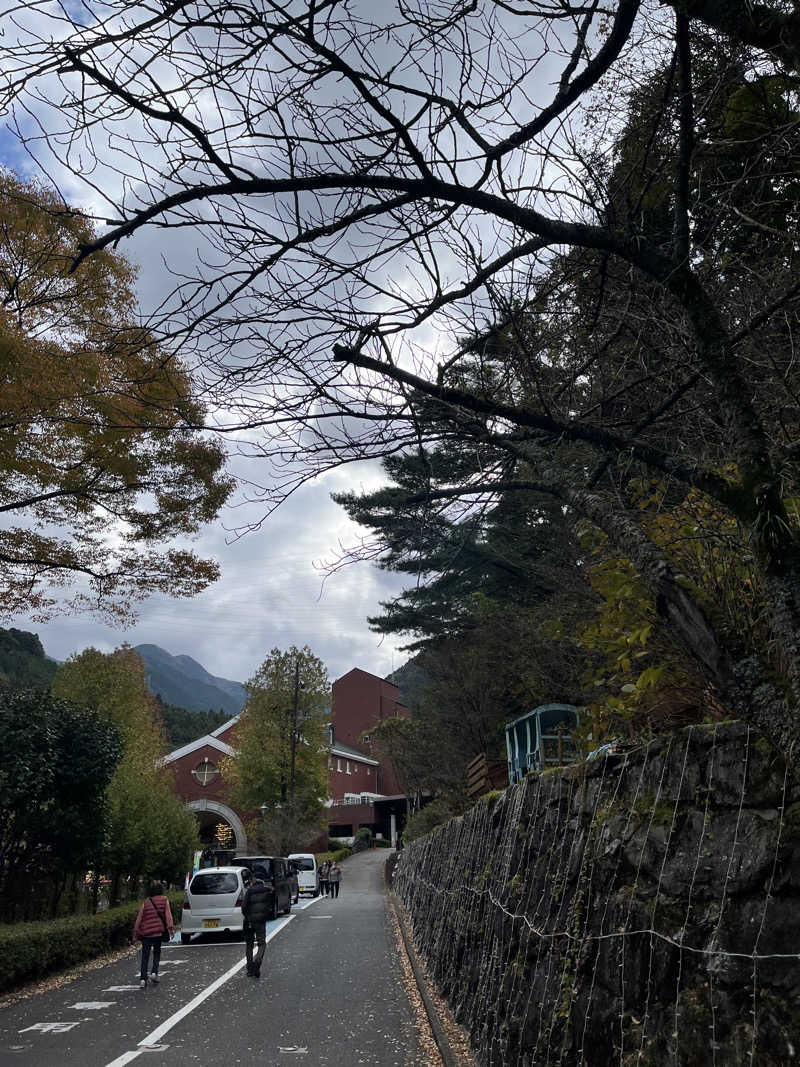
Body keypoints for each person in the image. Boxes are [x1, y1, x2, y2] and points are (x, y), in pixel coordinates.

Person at [133, 881, 174, 989]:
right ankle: (154, 973)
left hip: (146, 933)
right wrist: (170, 928)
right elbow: (168, 915)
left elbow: (139, 918)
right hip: (158, 932)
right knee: (157, 951)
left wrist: (135, 932)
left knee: (145, 956)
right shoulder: (164, 900)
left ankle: (142, 979)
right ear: (161, 890)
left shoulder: (146, 902)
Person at [242, 869, 271, 978]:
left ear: (254, 879)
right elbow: (269, 906)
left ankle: (250, 969)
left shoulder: (250, 891)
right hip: (261, 921)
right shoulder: (267, 891)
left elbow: (244, 907)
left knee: (249, 944)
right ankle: (257, 962)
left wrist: (247, 917)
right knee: (261, 943)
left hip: (249, 921)